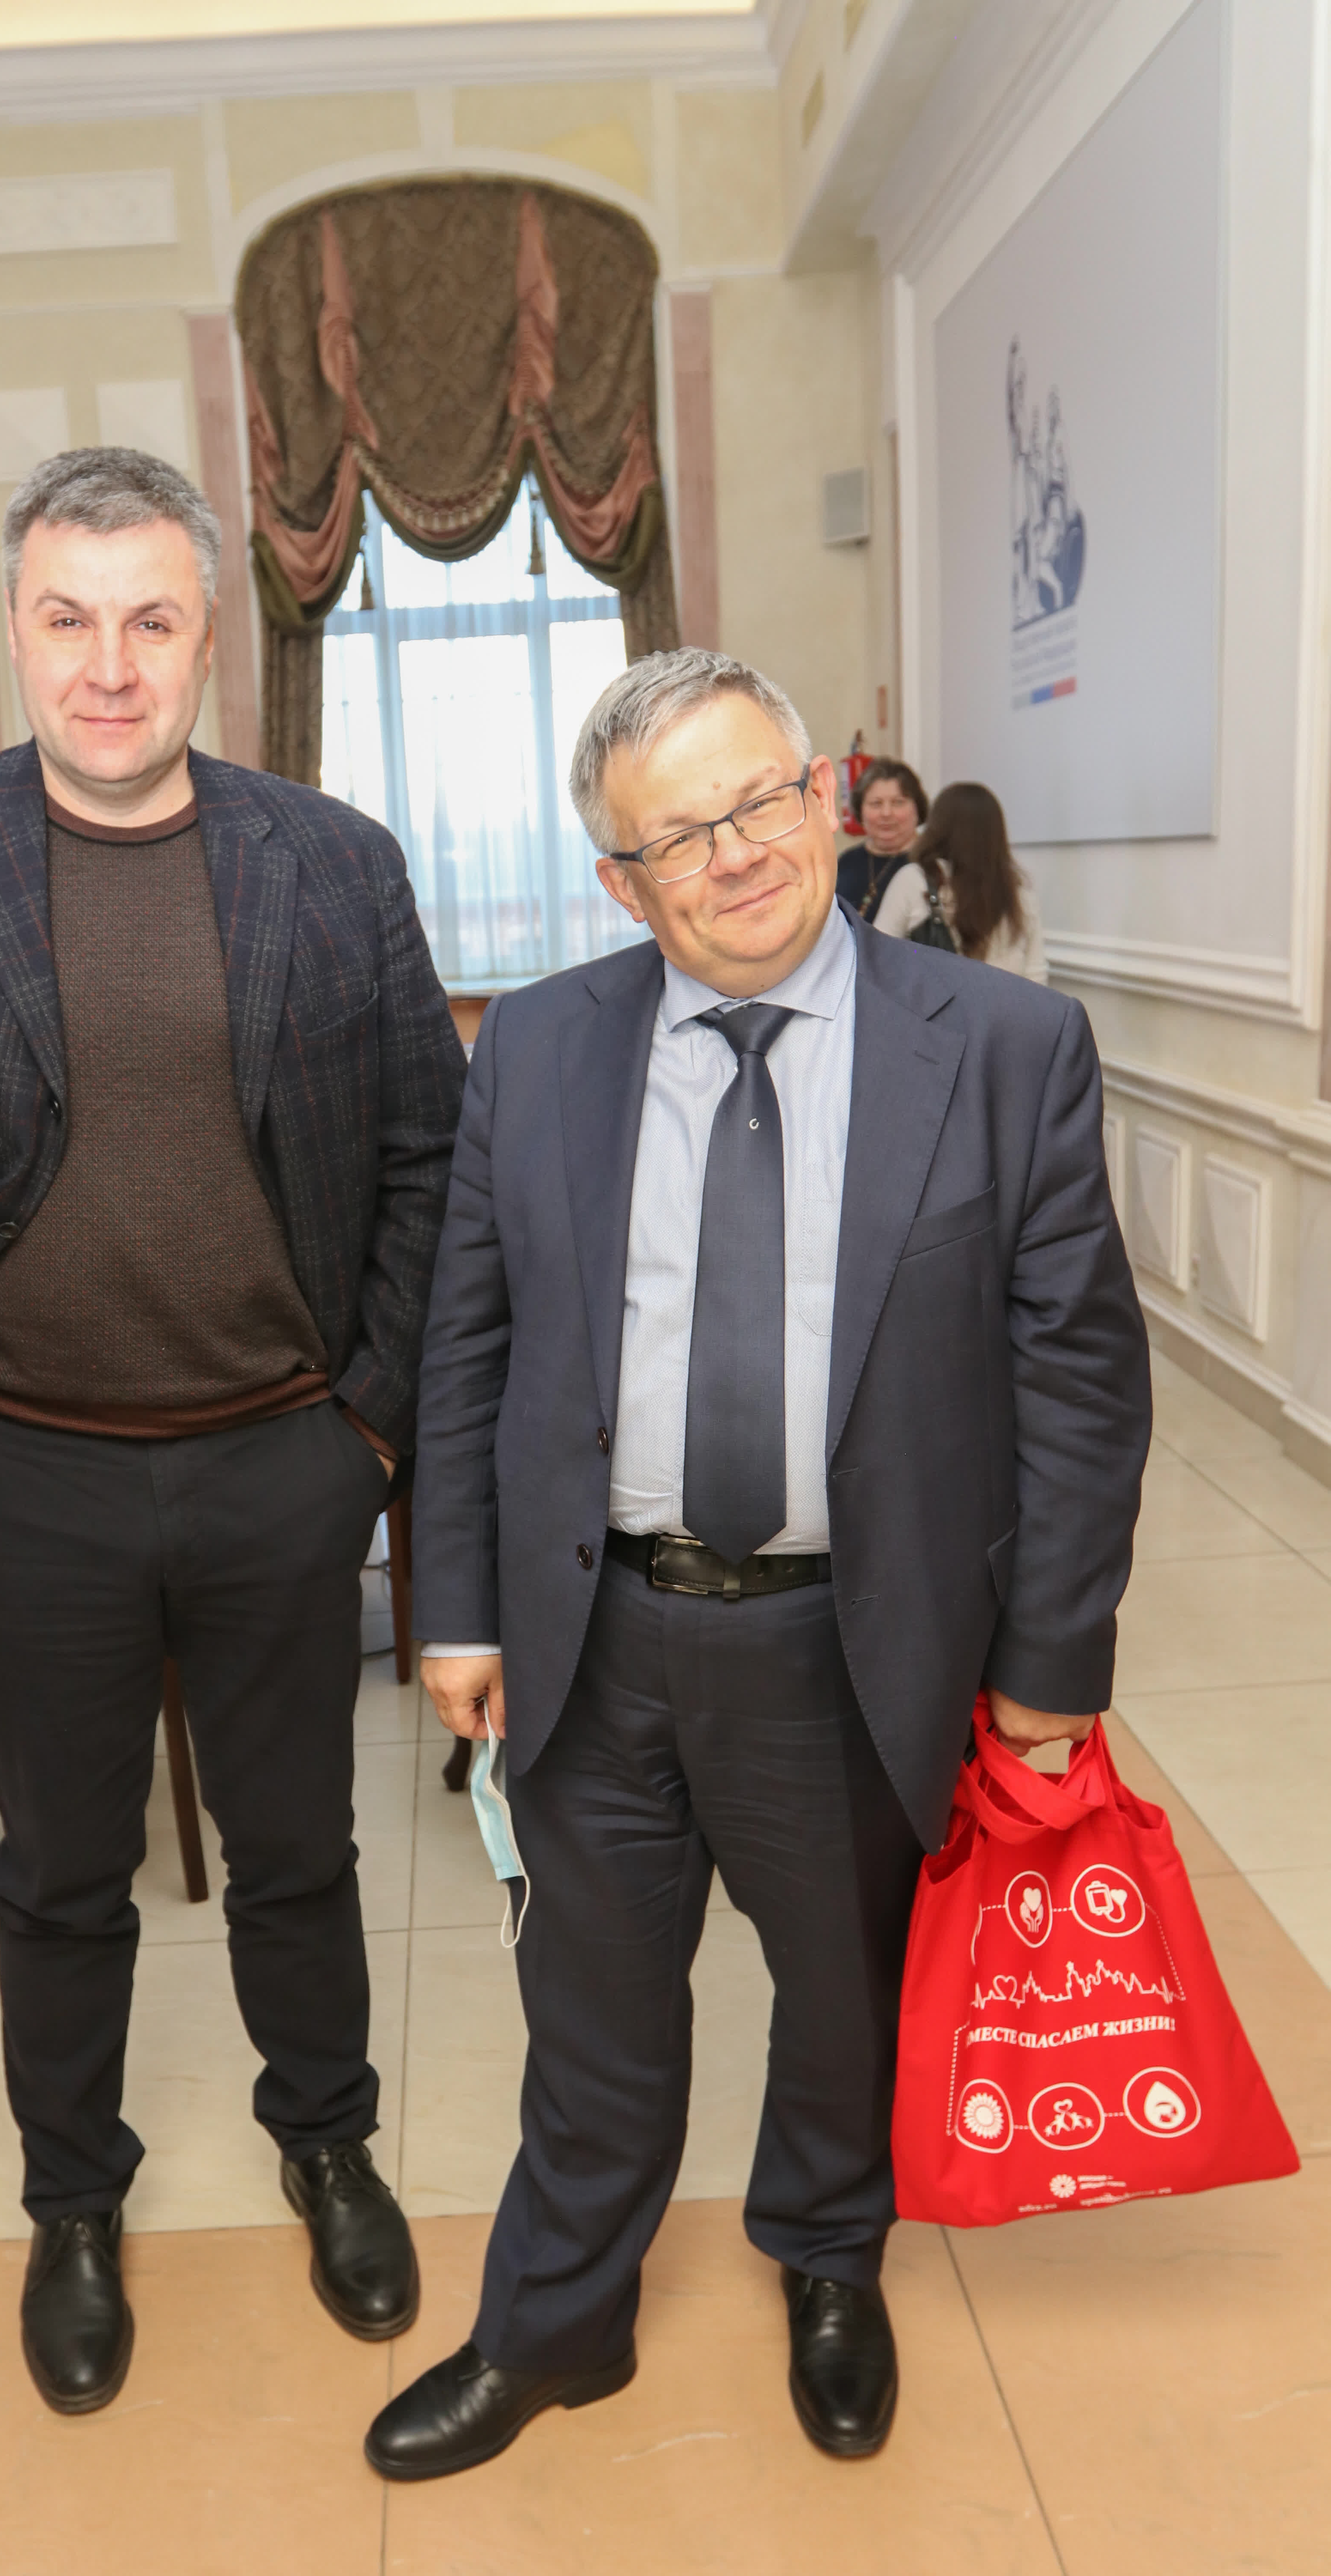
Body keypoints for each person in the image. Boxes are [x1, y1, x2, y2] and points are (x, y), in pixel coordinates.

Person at [0, 447, 467, 2415]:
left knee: (297, 1845)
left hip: (285, 1454)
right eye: (67, 619)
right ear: (10, 633)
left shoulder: (333, 862)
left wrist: (369, 1431)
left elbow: (429, 1164)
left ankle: (328, 2142)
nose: (108, 666)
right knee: (56, 1868)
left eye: (149, 621)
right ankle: (72, 2200)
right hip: (21, 1468)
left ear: (210, 639)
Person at [366, 647, 1149, 2482]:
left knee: (842, 1995)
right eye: (673, 835)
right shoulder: (536, 1046)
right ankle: (553, 2321)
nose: (731, 854)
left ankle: (823, 2255)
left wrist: (1049, 1662)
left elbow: (1077, 1379)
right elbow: (465, 1349)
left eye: (756, 800)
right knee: (590, 2016)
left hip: (852, 1642)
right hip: (596, 1631)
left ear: (819, 795)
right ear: (617, 881)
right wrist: (455, 1605)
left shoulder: (1001, 1047)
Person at [873, 780, 1046, 980]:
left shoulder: (914, 881)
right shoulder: (1019, 892)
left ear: (938, 829)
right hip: (1008, 1001)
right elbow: (1037, 974)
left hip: (934, 1000)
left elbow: (877, 956)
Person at [834, 757, 928, 918]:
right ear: (860, 810)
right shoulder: (846, 862)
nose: (886, 813)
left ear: (918, 809)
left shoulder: (932, 863)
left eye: (898, 803)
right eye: (876, 804)